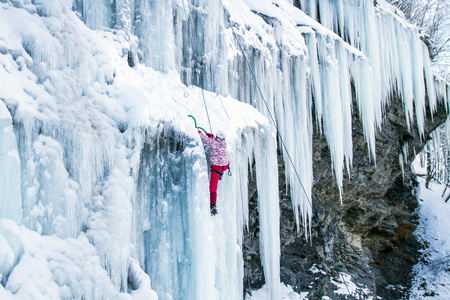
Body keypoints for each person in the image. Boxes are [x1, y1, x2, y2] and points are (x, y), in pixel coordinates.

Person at [198, 129, 229, 216]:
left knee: (213, 189)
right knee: (223, 165)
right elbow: (214, 141)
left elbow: (206, 140)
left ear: (217, 137)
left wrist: (200, 133)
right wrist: (212, 137)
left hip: (217, 167)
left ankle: (213, 206)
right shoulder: (224, 143)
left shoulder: (214, 143)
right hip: (225, 166)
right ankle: (221, 175)